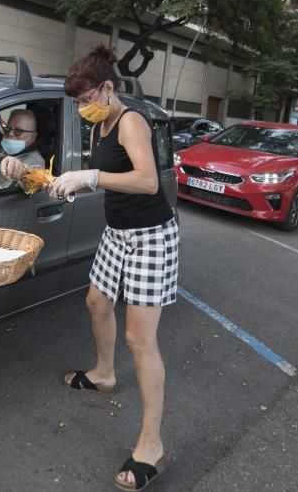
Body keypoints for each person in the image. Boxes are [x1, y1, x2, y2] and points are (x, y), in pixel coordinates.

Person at [47, 45, 179, 492]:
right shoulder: (99, 125)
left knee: (140, 339)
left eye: (86, 99)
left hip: (151, 237)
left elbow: (146, 180)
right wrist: (65, 180)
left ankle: (152, 447)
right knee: (96, 301)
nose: (82, 108)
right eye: (78, 103)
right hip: (117, 233)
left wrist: (91, 178)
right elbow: (105, 174)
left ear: (108, 87)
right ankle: (104, 374)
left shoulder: (131, 121)